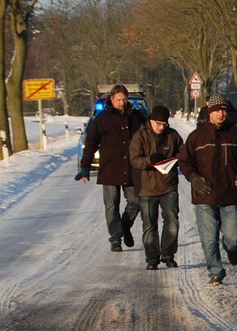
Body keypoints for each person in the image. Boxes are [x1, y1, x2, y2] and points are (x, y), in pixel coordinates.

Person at [178, 93, 237, 285]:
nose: (221, 114)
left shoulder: (236, 134)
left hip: (230, 193)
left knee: (233, 236)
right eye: (217, 111)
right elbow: (185, 162)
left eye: (224, 110)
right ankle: (215, 271)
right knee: (208, 238)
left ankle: (230, 248)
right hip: (205, 194)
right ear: (209, 112)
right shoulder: (197, 136)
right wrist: (194, 178)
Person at [76, 84, 144, 252]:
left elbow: (148, 139)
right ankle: (115, 238)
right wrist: (85, 167)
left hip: (131, 167)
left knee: (136, 201)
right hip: (110, 168)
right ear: (112, 100)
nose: (122, 102)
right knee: (111, 205)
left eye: (124, 99)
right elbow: (91, 143)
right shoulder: (102, 119)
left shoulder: (137, 117)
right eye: (119, 100)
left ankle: (124, 225)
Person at [129, 105, 184, 270]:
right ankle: (152, 258)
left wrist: (176, 159)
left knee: (172, 221)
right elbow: (134, 160)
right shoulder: (139, 137)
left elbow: (184, 152)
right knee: (149, 225)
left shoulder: (172, 135)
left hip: (168, 185)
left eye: (164, 124)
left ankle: (168, 255)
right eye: (158, 124)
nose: (161, 127)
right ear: (151, 120)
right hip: (146, 187)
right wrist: (150, 160)